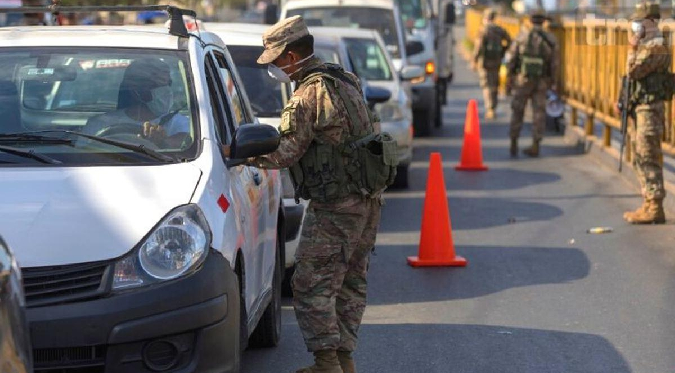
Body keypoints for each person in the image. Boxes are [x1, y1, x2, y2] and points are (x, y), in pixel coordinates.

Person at [223, 16, 384, 373]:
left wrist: (235, 152)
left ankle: (327, 364)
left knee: (310, 284)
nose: (274, 68)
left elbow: (284, 153)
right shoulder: (344, 78)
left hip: (335, 206)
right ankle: (344, 360)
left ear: (292, 56)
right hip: (367, 199)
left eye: (277, 61)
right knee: (349, 282)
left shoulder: (306, 94)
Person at [617, 4, 669, 224]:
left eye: (639, 21)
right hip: (641, 106)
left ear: (651, 21)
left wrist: (632, 47)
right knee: (640, 155)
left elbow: (633, 70)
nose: (635, 25)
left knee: (648, 155)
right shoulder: (648, 43)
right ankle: (648, 202)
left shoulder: (655, 45)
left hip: (650, 108)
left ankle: (655, 205)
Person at [83, 58, 190, 148]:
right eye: (156, 85)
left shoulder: (182, 124)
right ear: (136, 91)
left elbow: (188, 143)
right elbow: (82, 155)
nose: (165, 91)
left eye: (168, 85)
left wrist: (163, 141)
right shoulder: (98, 124)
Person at [505, 8, 559, 157]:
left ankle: (513, 142)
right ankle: (536, 145)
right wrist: (553, 82)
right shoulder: (550, 39)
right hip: (541, 81)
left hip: (522, 80)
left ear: (529, 20)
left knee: (517, 110)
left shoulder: (522, 36)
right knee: (538, 113)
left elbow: (512, 58)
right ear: (543, 21)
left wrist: (509, 78)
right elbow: (554, 64)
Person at [471, 8, 511, 119]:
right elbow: (509, 41)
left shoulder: (483, 30)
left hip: (484, 62)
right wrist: (503, 51)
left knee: (486, 85)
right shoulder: (499, 30)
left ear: (485, 18)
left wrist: (474, 60)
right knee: (495, 84)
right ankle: (494, 106)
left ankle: (490, 109)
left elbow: (478, 47)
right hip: (497, 60)